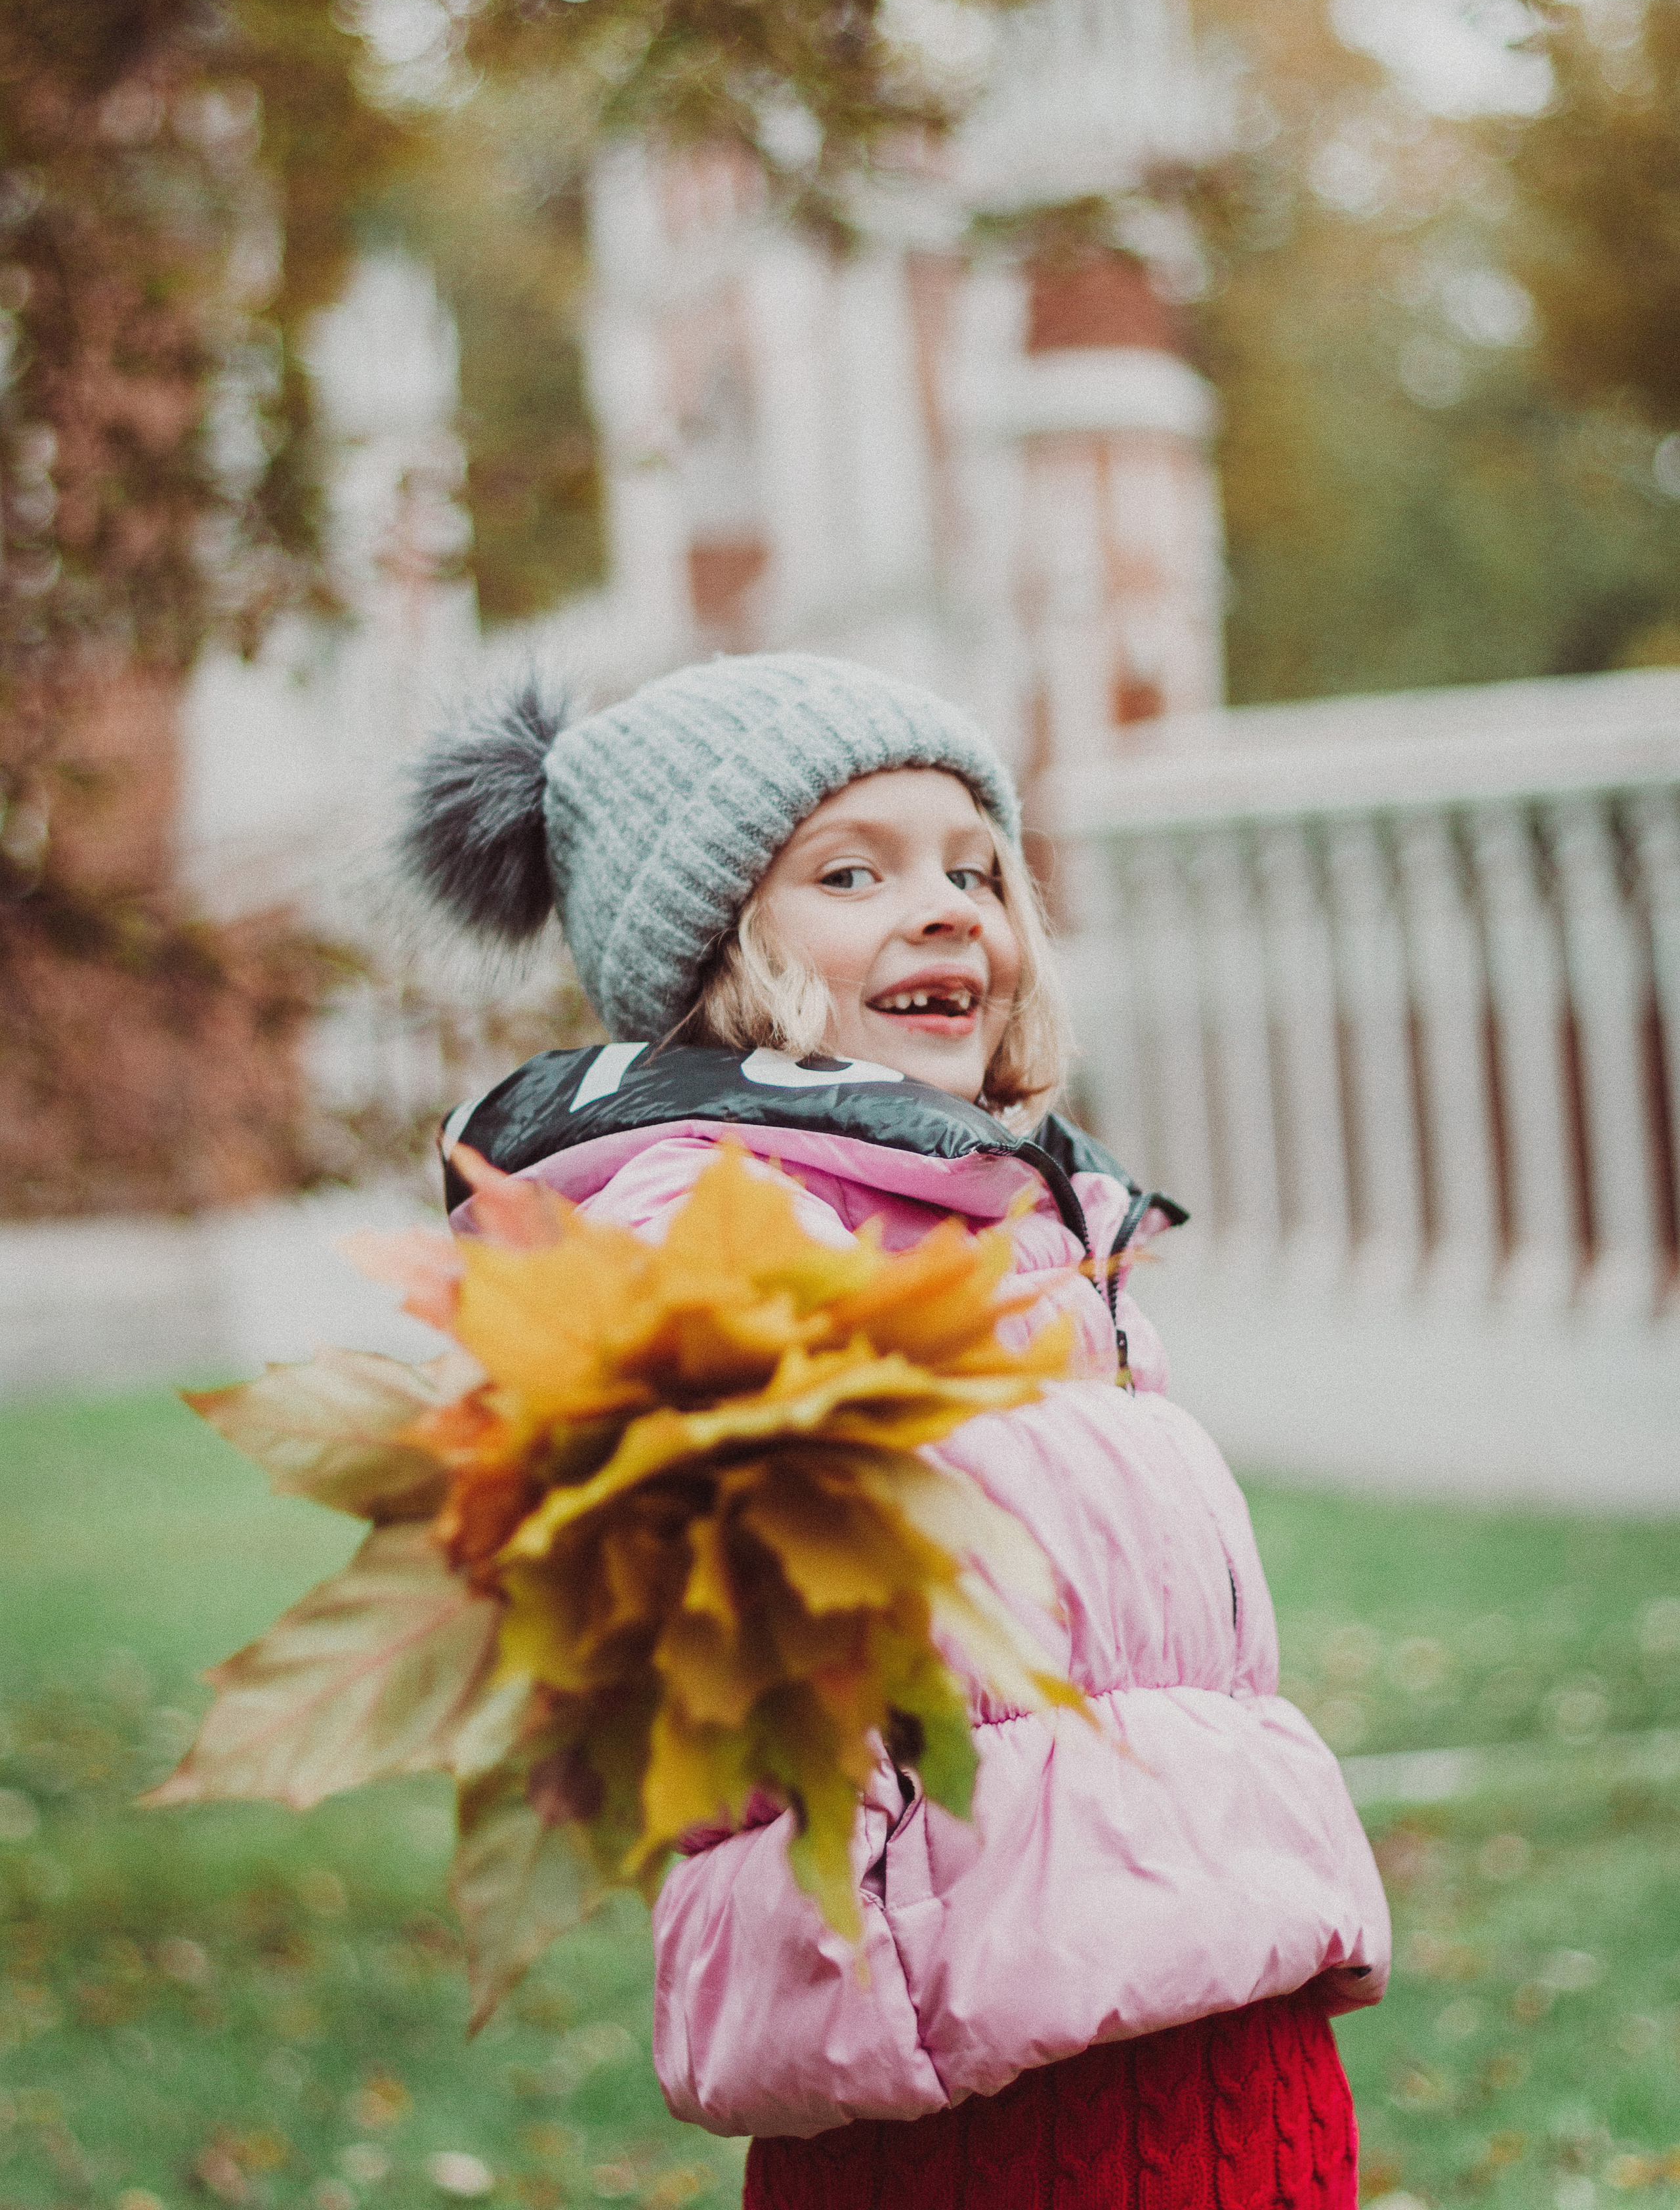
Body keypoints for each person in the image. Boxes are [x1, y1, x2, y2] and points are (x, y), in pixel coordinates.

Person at [400, 651, 1391, 2210]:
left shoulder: (1036, 1229)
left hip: (1224, 2040)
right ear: (710, 951)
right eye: (850, 871)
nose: (943, 908)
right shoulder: (713, 1221)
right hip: (977, 2091)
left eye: (973, 867)